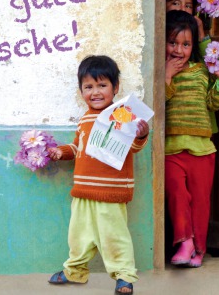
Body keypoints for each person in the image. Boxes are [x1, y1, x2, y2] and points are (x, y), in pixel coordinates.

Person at [47, 55, 149, 295]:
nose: (95, 92)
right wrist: (59, 152)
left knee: (114, 237)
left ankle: (124, 276)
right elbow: (77, 147)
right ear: (81, 90)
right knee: (78, 236)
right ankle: (75, 270)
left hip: (110, 191)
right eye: (88, 87)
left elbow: (131, 148)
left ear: (116, 88)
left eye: (102, 85)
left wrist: (141, 135)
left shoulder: (122, 115)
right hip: (83, 190)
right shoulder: (84, 118)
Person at [165, 10, 219, 268]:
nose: (178, 50)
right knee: (177, 196)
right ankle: (185, 242)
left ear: (193, 46)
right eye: (172, 43)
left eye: (185, 44)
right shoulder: (160, 71)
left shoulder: (200, 71)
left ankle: (198, 249)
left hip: (203, 149)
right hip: (171, 149)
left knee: (201, 201)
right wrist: (167, 75)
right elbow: (159, 103)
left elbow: (213, 103)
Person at [166, 0, 218, 134]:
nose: (182, 9)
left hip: (200, 125)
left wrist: (200, 32)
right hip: (173, 127)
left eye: (188, 6)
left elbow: (212, 68)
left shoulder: (195, 44)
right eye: (176, 3)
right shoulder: (159, 39)